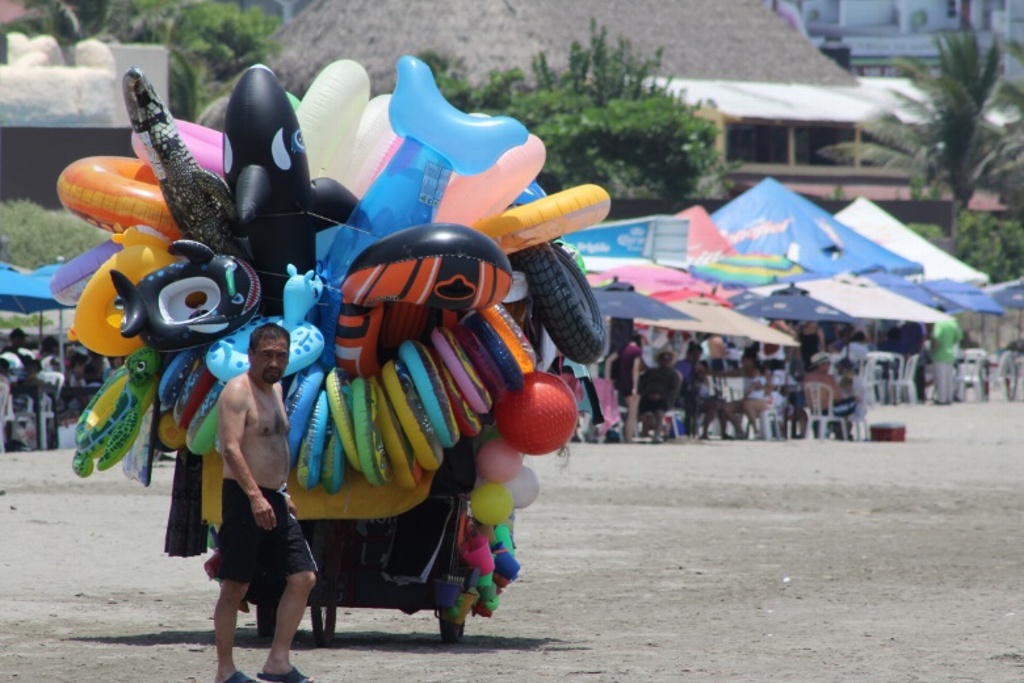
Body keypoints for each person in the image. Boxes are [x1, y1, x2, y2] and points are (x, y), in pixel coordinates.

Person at [213, 323, 318, 683]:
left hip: (275, 498)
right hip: (245, 499)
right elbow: (231, 447)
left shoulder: (276, 389)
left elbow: (273, 446)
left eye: (281, 355)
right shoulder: (237, 392)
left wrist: (281, 493)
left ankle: (278, 662)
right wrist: (256, 496)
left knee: (303, 576)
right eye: (268, 354)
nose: (275, 361)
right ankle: (225, 671)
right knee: (235, 585)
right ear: (252, 355)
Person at [802, 351, 856, 438]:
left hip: (813, 411)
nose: (830, 366)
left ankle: (835, 429)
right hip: (829, 411)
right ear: (821, 365)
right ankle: (843, 432)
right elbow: (838, 398)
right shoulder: (828, 378)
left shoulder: (806, 378)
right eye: (828, 364)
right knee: (853, 402)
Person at [604, 333, 645, 444]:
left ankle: (627, 437)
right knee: (632, 413)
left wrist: (608, 379)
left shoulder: (623, 348)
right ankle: (628, 438)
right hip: (632, 385)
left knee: (628, 412)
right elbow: (635, 369)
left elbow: (608, 361)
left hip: (622, 385)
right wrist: (635, 387)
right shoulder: (637, 350)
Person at [636, 348, 682, 443]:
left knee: (659, 413)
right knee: (642, 413)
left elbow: (674, 391)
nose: (665, 361)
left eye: (668, 359)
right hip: (647, 398)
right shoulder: (651, 372)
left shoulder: (674, 375)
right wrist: (646, 394)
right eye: (663, 358)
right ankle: (644, 431)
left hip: (664, 400)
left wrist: (661, 396)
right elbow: (641, 385)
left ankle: (657, 435)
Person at [931, 314, 963, 405]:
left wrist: (933, 349)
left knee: (940, 378)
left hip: (940, 354)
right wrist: (949, 344)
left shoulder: (939, 324)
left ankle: (941, 399)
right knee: (948, 377)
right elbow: (958, 337)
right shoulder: (953, 323)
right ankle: (949, 397)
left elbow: (936, 337)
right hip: (950, 353)